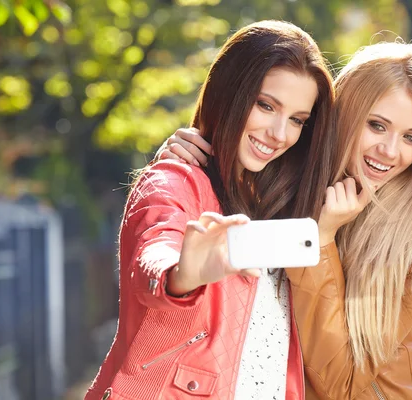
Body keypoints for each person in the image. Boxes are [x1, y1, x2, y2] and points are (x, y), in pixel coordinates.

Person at [155, 41, 412, 399]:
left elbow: (340, 384)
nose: (390, 151)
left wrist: (321, 239)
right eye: (376, 126)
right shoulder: (293, 181)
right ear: (344, 116)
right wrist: (183, 159)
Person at [84, 20, 336, 400]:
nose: (279, 133)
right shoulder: (174, 180)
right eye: (266, 105)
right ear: (229, 93)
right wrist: (181, 274)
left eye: (298, 120)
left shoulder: (281, 202)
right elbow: (155, 250)